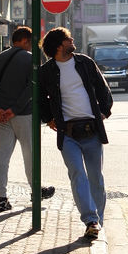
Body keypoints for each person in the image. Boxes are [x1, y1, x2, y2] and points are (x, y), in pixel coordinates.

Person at [39, 27, 113, 240]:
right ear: (59, 45)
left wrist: (103, 112)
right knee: (77, 175)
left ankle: (98, 220)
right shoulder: (47, 71)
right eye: (68, 38)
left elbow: (102, 89)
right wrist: (49, 118)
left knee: (95, 178)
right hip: (68, 133)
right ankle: (91, 220)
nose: (72, 40)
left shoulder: (85, 63)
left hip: (91, 130)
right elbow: (40, 98)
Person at [0, 26, 54, 212]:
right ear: (24, 40)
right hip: (24, 114)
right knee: (30, 155)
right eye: (31, 42)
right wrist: (14, 110)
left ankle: (2, 197)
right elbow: (32, 87)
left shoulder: (0, 58)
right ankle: (35, 192)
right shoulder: (30, 59)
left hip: (1, 117)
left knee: (2, 157)